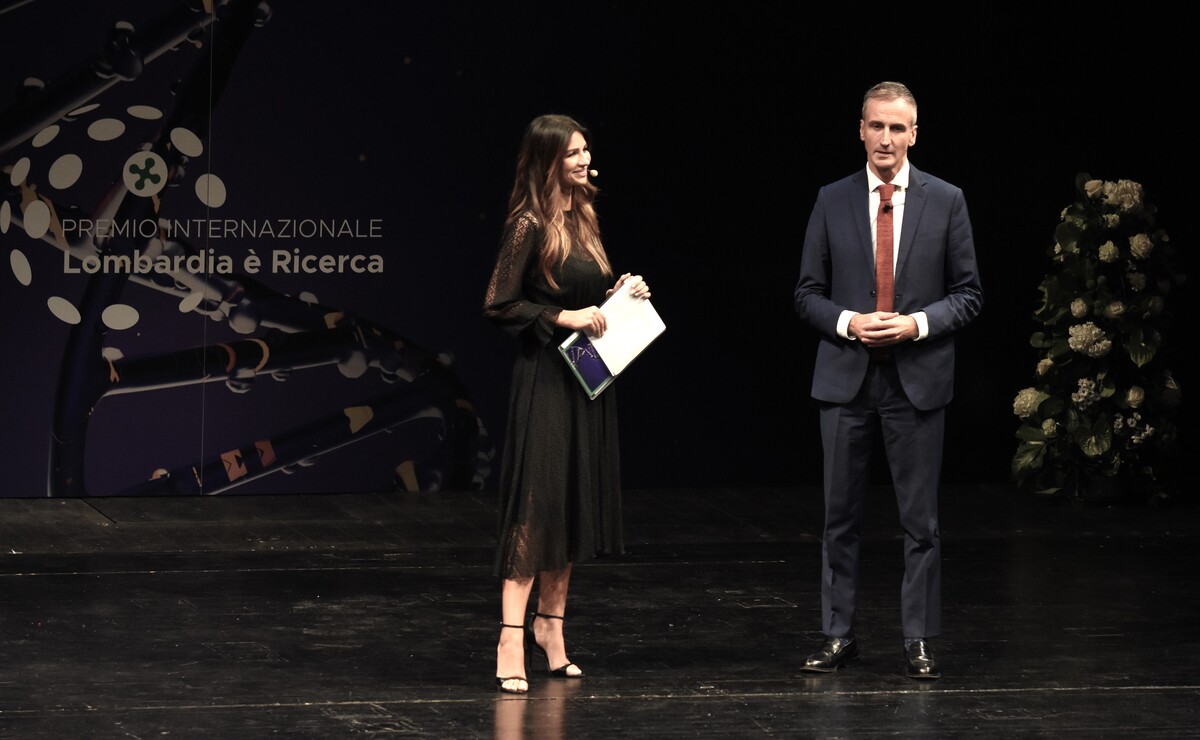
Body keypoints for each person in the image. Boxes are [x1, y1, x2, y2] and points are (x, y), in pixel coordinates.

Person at [793, 81, 983, 679]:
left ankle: (919, 639)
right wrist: (850, 322)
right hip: (846, 382)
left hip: (916, 381)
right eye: (877, 126)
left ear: (914, 134)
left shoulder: (946, 200)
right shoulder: (831, 199)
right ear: (861, 129)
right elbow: (806, 295)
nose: (886, 138)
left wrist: (916, 325)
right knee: (838, 517)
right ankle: (838, 634)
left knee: (919, 521)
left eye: (898, 128)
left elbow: (970, 295)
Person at [483, 114, 650, 694]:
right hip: (547, 382)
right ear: (548, 159)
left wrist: (616, 296)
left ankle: (551, 630)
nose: (584, 160)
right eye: (573, 152)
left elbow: (584, 298)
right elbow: (499, 304)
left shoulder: (582, 218)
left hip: (588, 378)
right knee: (539, 505)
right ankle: (510, 635)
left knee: (574, 502)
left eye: (586, 149)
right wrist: (561, 316)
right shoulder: (528, 223)